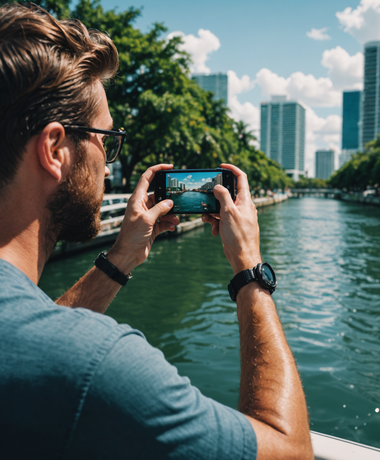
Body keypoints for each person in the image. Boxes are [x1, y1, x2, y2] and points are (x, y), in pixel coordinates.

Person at [0, 4, 313, 459]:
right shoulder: (101, 367)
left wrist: (122, 256)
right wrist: (249, 269)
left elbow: (32, 343)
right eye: (105, 141)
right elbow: (292, 451)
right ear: (55, 150)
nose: (109, 164)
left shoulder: (28, 338)